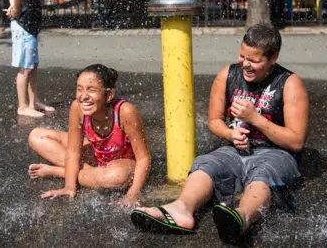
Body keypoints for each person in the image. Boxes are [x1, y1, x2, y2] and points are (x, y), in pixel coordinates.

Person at [131, 23, 309, 243]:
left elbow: (296, 141)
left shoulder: (290, 84)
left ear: (273, 58)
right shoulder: (228, 74)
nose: (245, 64)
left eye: (254, 60)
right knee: (206, 163)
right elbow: (214, 121)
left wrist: (256, 119)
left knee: (263, 173)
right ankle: (181, 209)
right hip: (234, 148)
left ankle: (241, 218)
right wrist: (229, 134)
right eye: (243, 56)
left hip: (276, 153)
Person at [28, 64, 151, 207]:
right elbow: (73, 151)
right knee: (36, 136)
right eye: (79, 89)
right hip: (97, 155)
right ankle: (87, 175)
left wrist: (132, 194)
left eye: (92, 90)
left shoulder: (125, 112)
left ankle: (60, 171)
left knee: (117, 178)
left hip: (122, 165)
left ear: (109, 95)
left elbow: (143, 158)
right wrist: (69, 186)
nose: (83, 96)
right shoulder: (77, 107)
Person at [6, 0, 57, 118]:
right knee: (25, 68)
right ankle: (22, 107)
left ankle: (33, 102)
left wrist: (14, 6)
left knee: (33, 66)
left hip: (30, 27)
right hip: (24, 26)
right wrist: (15, 7)